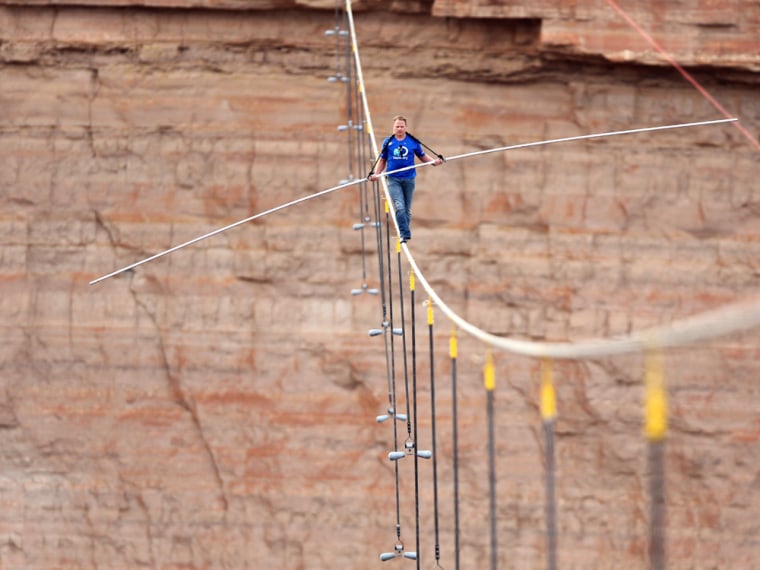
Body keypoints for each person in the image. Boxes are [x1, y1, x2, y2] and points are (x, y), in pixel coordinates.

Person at [369, 115, 443, 243]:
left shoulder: (412, 141)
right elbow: (382, 160)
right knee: (399, 207)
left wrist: (434, 162)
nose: (399, 129)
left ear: (406, 127)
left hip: (409, 179)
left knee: (407, 210)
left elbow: (422, 156)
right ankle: (404, 234)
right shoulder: (388, 142)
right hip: (393, 179)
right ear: (393, 127)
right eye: (397, 126)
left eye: (401, 126)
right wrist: (376, 174)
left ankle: (404, 232)